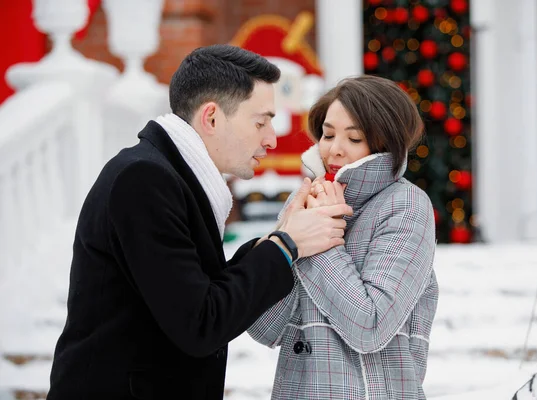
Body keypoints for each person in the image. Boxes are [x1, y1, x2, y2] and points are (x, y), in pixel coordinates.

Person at [47, 44, 352, 400]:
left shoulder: (169, 175)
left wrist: (280, 235)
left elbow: (202, 293)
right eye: (261, 121)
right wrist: (285, 246)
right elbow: (200, 323)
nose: (271, 138)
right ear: (211, 118)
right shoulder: (144, 180)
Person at [248, 75, 438, 400]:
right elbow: (266, 327)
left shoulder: (406, 205)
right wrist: (286, 235)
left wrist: (319, 235)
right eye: (328, 134)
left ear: (383, 142)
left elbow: (371, 326)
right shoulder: (310, 199)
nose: (334, 150)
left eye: (354, 138)